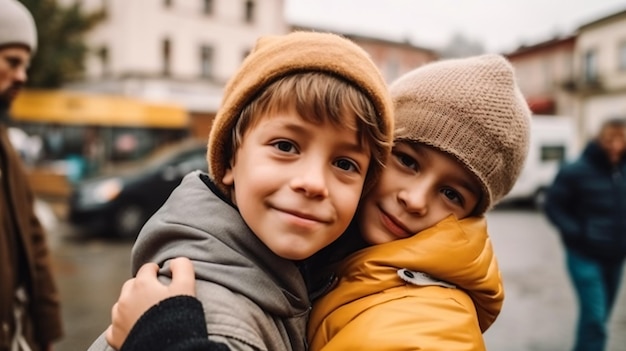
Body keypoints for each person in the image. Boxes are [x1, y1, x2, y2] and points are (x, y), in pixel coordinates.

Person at [104, 54, 531, 351]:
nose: (415, 200)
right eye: (407, 161)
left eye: (452, 194)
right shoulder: (318, 259)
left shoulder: (430, 321)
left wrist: (166, 340)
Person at [88, 30, 394, 351]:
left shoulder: (294, 283)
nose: (314, 183)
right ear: (231, 159)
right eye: (286, 146)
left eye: (345, 164)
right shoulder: (213, 322)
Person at [0, 0, 64, 350]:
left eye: (26, 65)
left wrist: (45, 331)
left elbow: (33, 238)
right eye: (12, 62)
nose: (22, 75)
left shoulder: (5, 144)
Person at [544, 118, 626, 351]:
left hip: (615, 258)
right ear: (599, 139)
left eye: (621, 139)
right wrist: (577, 233)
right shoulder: (574, 170)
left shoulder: (623, 170)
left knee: (600, 318)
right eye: (611, 138)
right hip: (584, 256)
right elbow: (552, 206)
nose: (616, 145)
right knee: (595, 319)